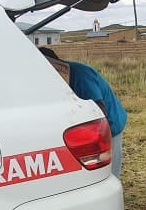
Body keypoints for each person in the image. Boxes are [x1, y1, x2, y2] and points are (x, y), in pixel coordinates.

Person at [39, 47, 127, 176]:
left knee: (107, 171)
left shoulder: (80, 76)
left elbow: (98, 110)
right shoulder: (56, 78)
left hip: (110, 123)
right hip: (84, 127)